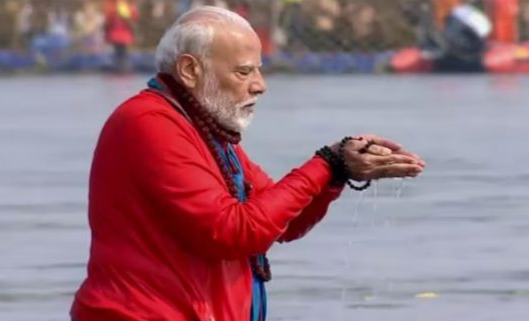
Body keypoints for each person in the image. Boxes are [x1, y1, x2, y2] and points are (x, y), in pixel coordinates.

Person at [69, 6, 425, 321]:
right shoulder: (148, 123)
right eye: (243, 72)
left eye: (259, 70)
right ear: (190, 70)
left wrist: (339, 171)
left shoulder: (205, 129)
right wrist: (327, 163)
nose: (260, 86)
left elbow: (285, 223)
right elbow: (234, 233)